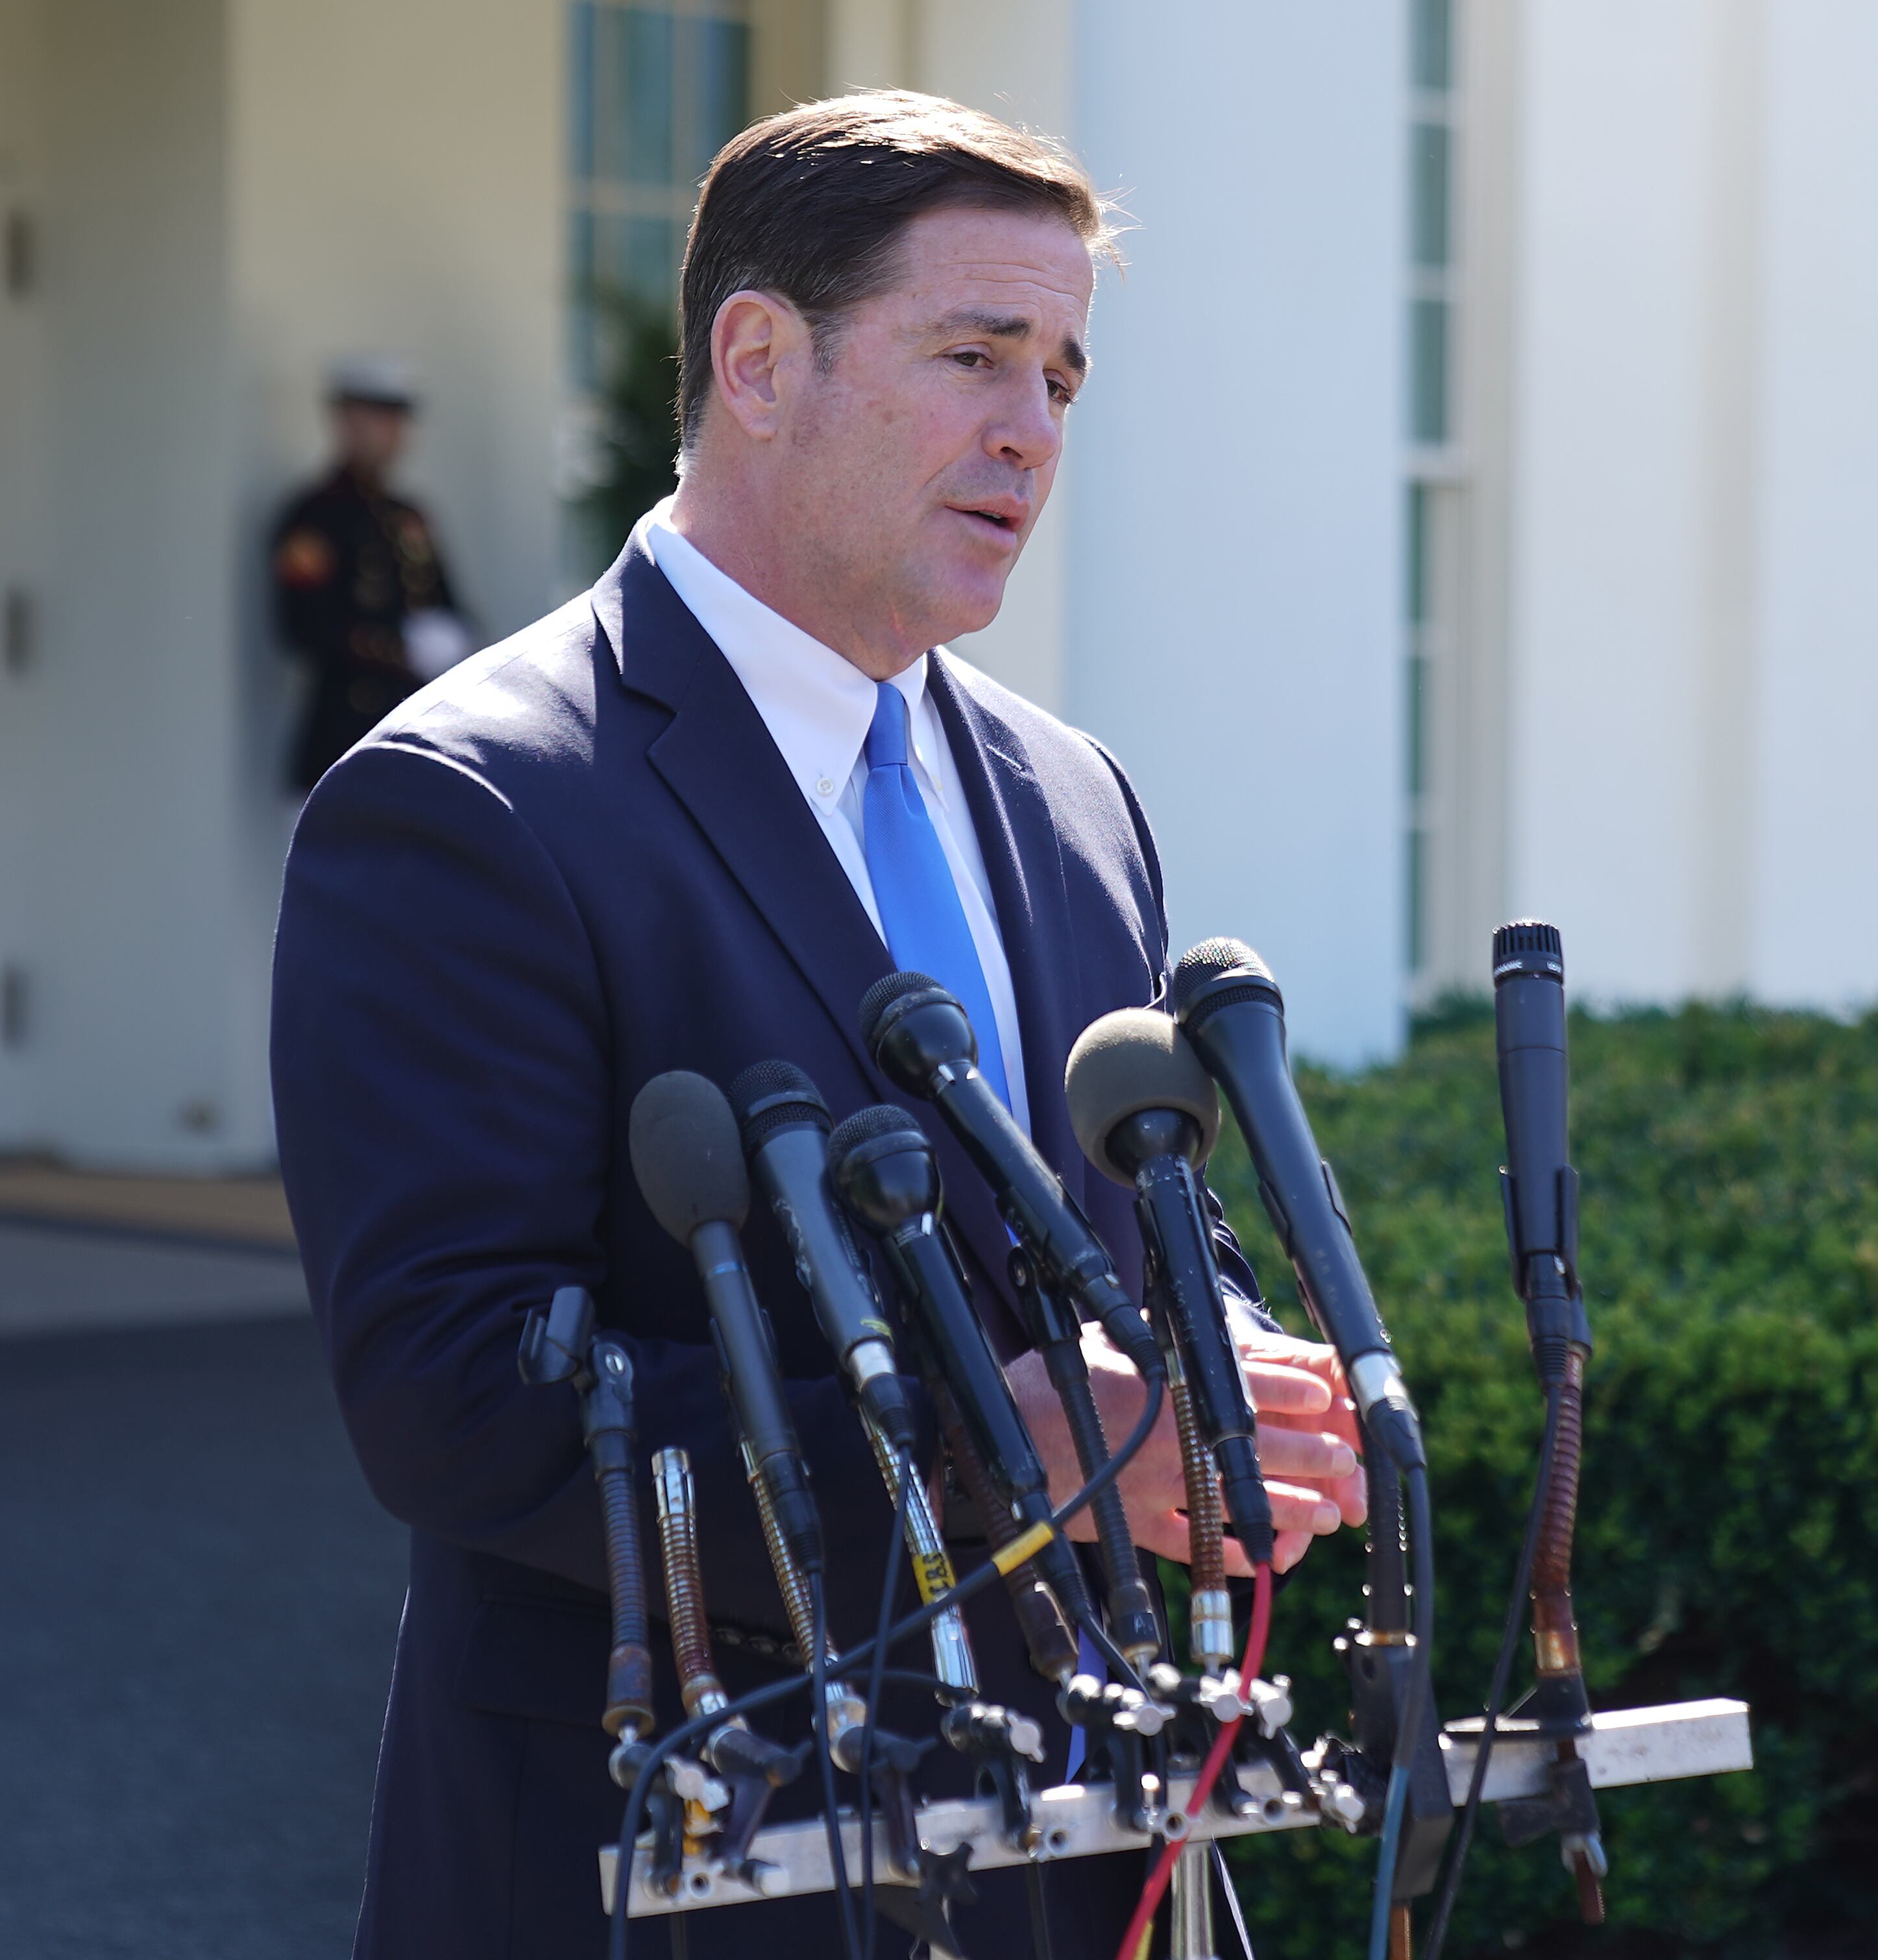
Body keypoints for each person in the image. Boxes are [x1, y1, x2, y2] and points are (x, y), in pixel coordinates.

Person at [271, 93, 1371, 1957]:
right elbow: (456, 1401)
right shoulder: (471, 804)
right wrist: (1009, 1451)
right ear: (759, 361)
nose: (1032, 429)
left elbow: (1121, 1227)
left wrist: (1221, 1367)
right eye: (973, 355)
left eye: (1061, 378)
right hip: (678, 1856)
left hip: (1079, 1844)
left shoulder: (1073, 797)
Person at [269, 356, 472, 793]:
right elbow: (306, 627)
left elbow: (448, 604)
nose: (394, 431)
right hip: (342, 740)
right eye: (379, 416)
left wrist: (453, 638)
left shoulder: (409, 517)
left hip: (417, 736)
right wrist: (401, 648)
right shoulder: (315, 517)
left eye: (399, 418)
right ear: (344, 420)